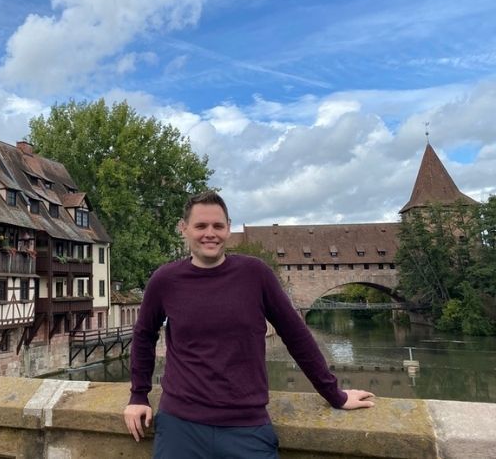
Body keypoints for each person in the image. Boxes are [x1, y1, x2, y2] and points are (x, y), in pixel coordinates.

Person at [123, 191, 374, 458]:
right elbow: (144, 336)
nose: (210, 233)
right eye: (200, 226)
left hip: (247, 426)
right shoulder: (165, 280)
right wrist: (138, 395)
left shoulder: (256, 274)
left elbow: (296, 335)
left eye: (218, 226)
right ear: (183, 229)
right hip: (180, 425)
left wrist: (334, 393)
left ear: (228, 228)